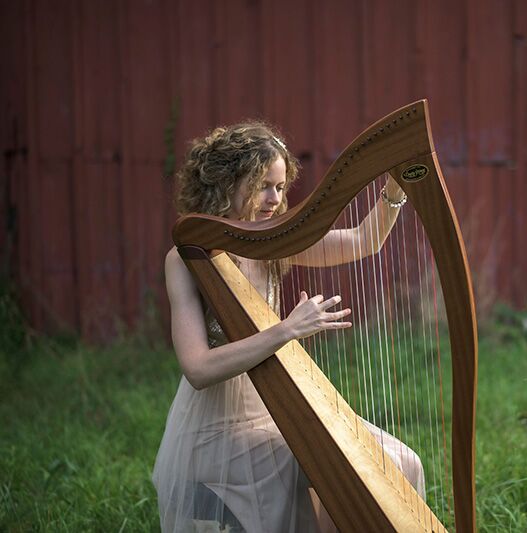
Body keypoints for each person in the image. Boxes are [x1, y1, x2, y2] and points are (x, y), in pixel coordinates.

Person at [152, 121, 424, 532]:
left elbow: (365, 240)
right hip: (214, 434)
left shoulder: (273, 244)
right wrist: (286, 330)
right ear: (227, 183)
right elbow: (198, 369)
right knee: (341, 470)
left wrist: (394, 189)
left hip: (275, 415)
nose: (274, 199)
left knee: (403, 461)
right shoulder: (187, 260)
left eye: (280, 188)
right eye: (263, 185)